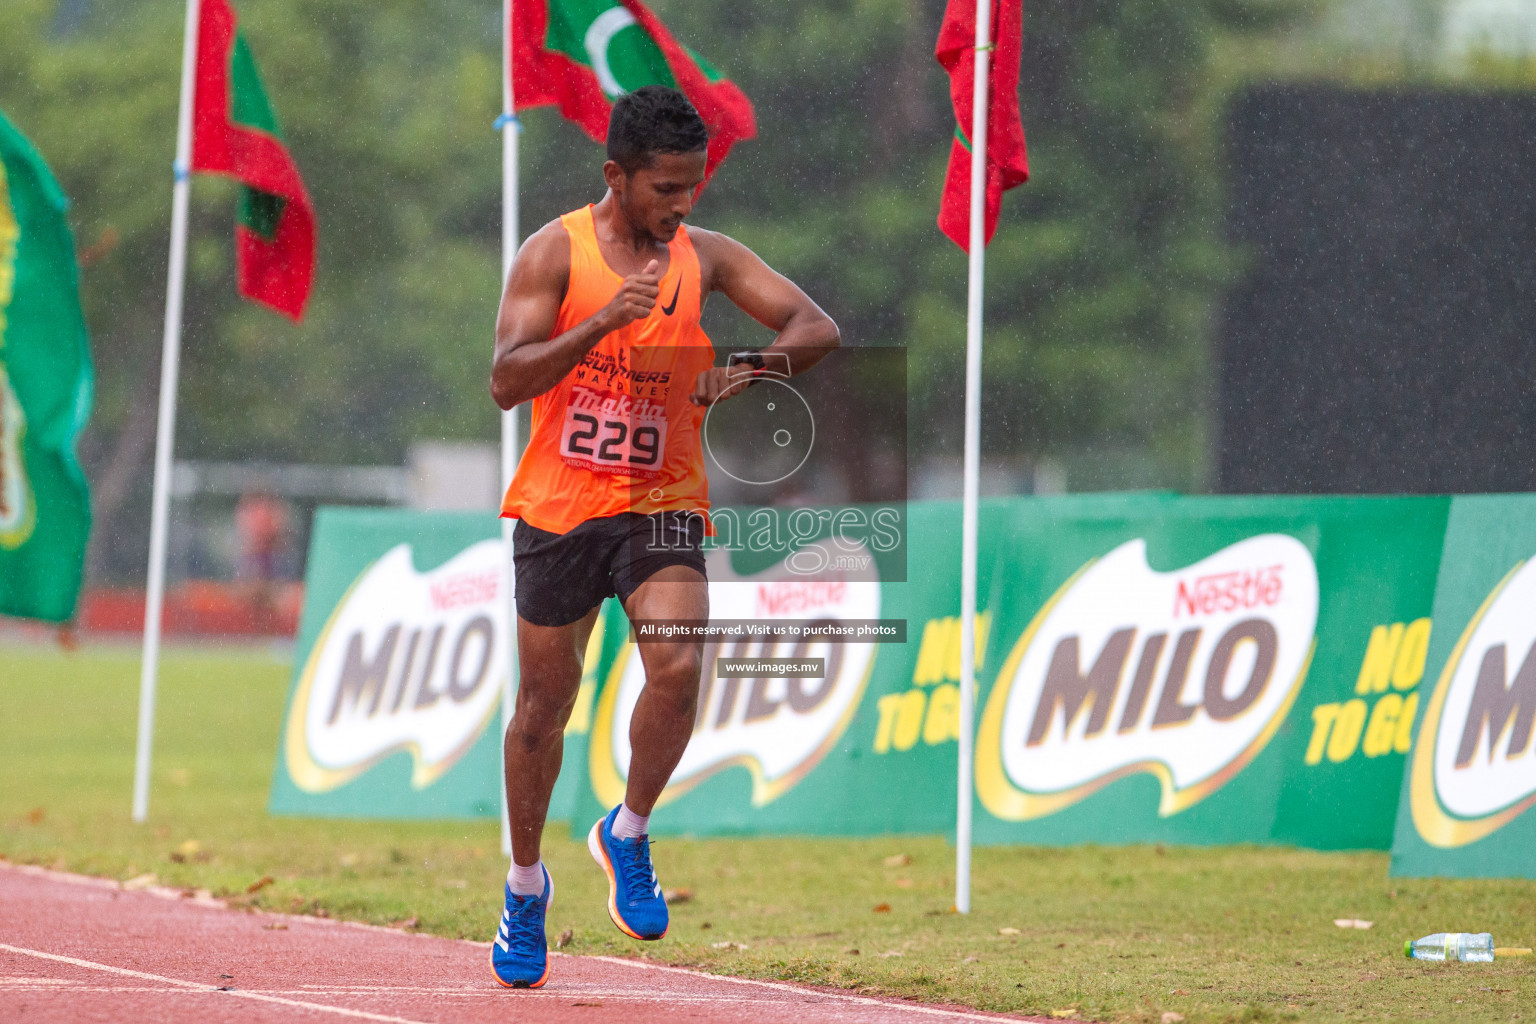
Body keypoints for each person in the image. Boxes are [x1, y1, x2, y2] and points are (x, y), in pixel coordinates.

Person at [487, 86, 838, 989]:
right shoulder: (552, 253)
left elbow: (817, 327)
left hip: (662, 499)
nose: (682, 205)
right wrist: (601, 319)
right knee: (542, 709)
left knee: (679, 666)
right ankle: (525, 888)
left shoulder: (706, 258)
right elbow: (505, 380)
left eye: (693, 186)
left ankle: (628, 831)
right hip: (562, 506)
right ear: (617, 176)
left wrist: (745, 371)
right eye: (666, 188)